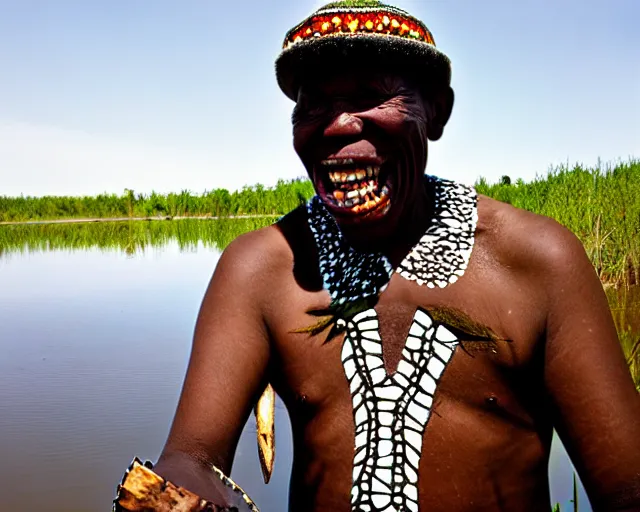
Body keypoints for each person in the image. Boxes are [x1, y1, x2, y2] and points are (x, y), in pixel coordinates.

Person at [114, 1, 640, 511]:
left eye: (370, 96)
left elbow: (626, 490)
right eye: (313, 105)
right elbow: (192, 458)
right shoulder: (261, 270)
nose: (339, 125)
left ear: (436, 111)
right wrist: (174, 493)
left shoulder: (538, 262)